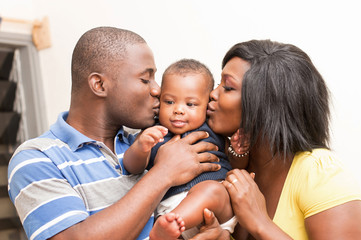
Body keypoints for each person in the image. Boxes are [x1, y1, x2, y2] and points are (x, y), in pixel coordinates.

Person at [7, 27, 222, 240]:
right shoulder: (37, 158)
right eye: (146, 79)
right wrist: (164, 173)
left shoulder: (148, 140)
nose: (157, 90)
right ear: (99, 85)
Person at [192, 39, 361, 239]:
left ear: (264, 105)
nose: (212, 94)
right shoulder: (224, 165)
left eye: (227, 87)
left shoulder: (321, 173)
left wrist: (260, 222)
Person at [123, 59, 237, 240]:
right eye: (169, 102)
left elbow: (237, 163)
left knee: (212, 190)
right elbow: (132, 167)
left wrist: (238, 149)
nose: (178, 110)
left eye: (190, 104)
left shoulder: (213, 129)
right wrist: (141, 147)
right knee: (167, 222)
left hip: (215, 209)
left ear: (207, 105)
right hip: (170, 208)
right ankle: (169, 227)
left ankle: (173, 224)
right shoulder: (153, 132)